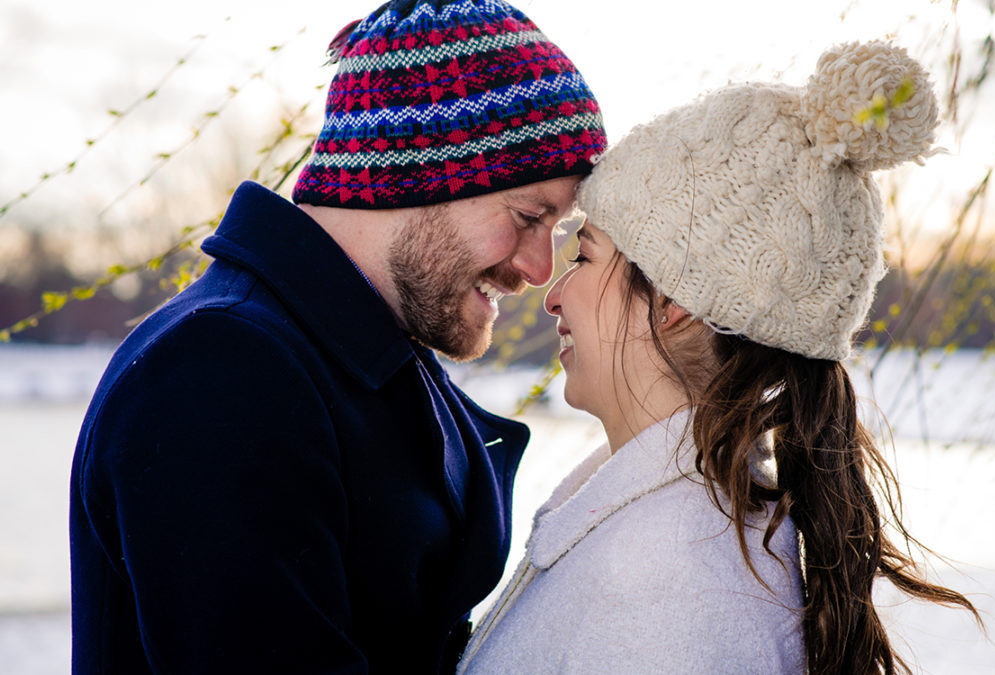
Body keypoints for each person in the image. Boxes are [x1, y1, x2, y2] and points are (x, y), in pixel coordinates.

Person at [69, 1, 606, 672]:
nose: (537, 269)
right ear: (418, 169)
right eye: (530, 216)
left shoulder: (357, 356)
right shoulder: (218, 374)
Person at [458, 41, 982, 674]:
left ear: (673, 301)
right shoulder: (674, 538)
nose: (554, 296)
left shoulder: (671, 585)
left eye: (584, 256)